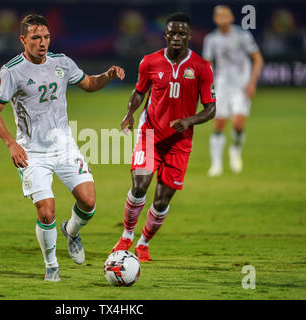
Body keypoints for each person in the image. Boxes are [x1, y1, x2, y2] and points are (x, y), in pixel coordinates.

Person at [0, 14, 124, 281]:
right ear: (23, 39)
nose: (42, 43)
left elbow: (88, 84)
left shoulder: (61, 62)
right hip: (32, 153)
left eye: (46, 37)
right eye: (36, 38)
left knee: (89, 202)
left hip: (64, 147)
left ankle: (71, 231)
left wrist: (106, 75)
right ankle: (52, 266)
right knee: (46, 211)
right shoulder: (12, 71)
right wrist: (11, 144)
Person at [111, 13, 216, 262]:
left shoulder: (202, 67)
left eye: (182, 34)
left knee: (161, 200)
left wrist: (189, 121)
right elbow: (139, 92)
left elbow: (211, 109)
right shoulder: (149, 62)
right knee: (139, 185)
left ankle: (143, 242)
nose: (177, 38)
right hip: (150, 133)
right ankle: (126, 235)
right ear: (165, 35)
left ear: (189, 36)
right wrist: (129, 113)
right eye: (172, 33)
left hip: (180, 142)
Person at [203, 5, 263, 177]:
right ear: (215, 19)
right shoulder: (211, 39)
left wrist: (252, 83)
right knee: (219, 123)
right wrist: (207, 87)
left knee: (237, 123)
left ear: (231, 18)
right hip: (222, 86)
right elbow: (208, 65)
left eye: (225, 15)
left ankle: (235, 149)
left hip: (241, 86)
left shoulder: (243, 36)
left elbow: (258, 59)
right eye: (219, 16)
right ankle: (216, 164)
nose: (222, 19)